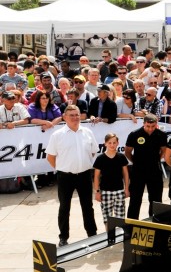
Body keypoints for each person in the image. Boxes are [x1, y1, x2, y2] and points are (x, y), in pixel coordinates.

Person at [46, 105, 99, 246]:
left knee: (88, 206)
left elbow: (93, 152)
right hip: (65, 177)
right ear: (64, 117)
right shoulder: (57, 135)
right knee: (64, 207)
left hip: (84, 175)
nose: (75, 118)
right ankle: (63, 237)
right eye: (71, 115)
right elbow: (50, 157)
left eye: (77, 115)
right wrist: (62, 168)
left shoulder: (87, 132)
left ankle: (92, 234)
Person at [124, 113, 168, 219]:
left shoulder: (161, 135)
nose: (150, 129)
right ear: (143, 124)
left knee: (156, 200)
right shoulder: (134, 134)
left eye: (153, 126)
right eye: (148, 126)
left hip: (154, 170)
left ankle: (155, 223)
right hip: (138, 171)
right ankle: (131, 225)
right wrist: (136, 161)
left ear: (156, 124)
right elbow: (127, 152)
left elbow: (163, 150)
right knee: (135, 199)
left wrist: (157, 159)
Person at [92, 133, 129, 227]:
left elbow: (125, 174)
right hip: (105, 192)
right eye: (109, 143)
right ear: (105, 144)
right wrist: (97, 192)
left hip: (119, 191)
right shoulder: (100, 158)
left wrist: (127, 189)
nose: (112, 145)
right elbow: (96, 176)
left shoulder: (121, 157)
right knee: (107, 219)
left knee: (120, 218)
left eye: (114, 142)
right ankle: (110, 238)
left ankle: (120, 238)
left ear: (117, 143)